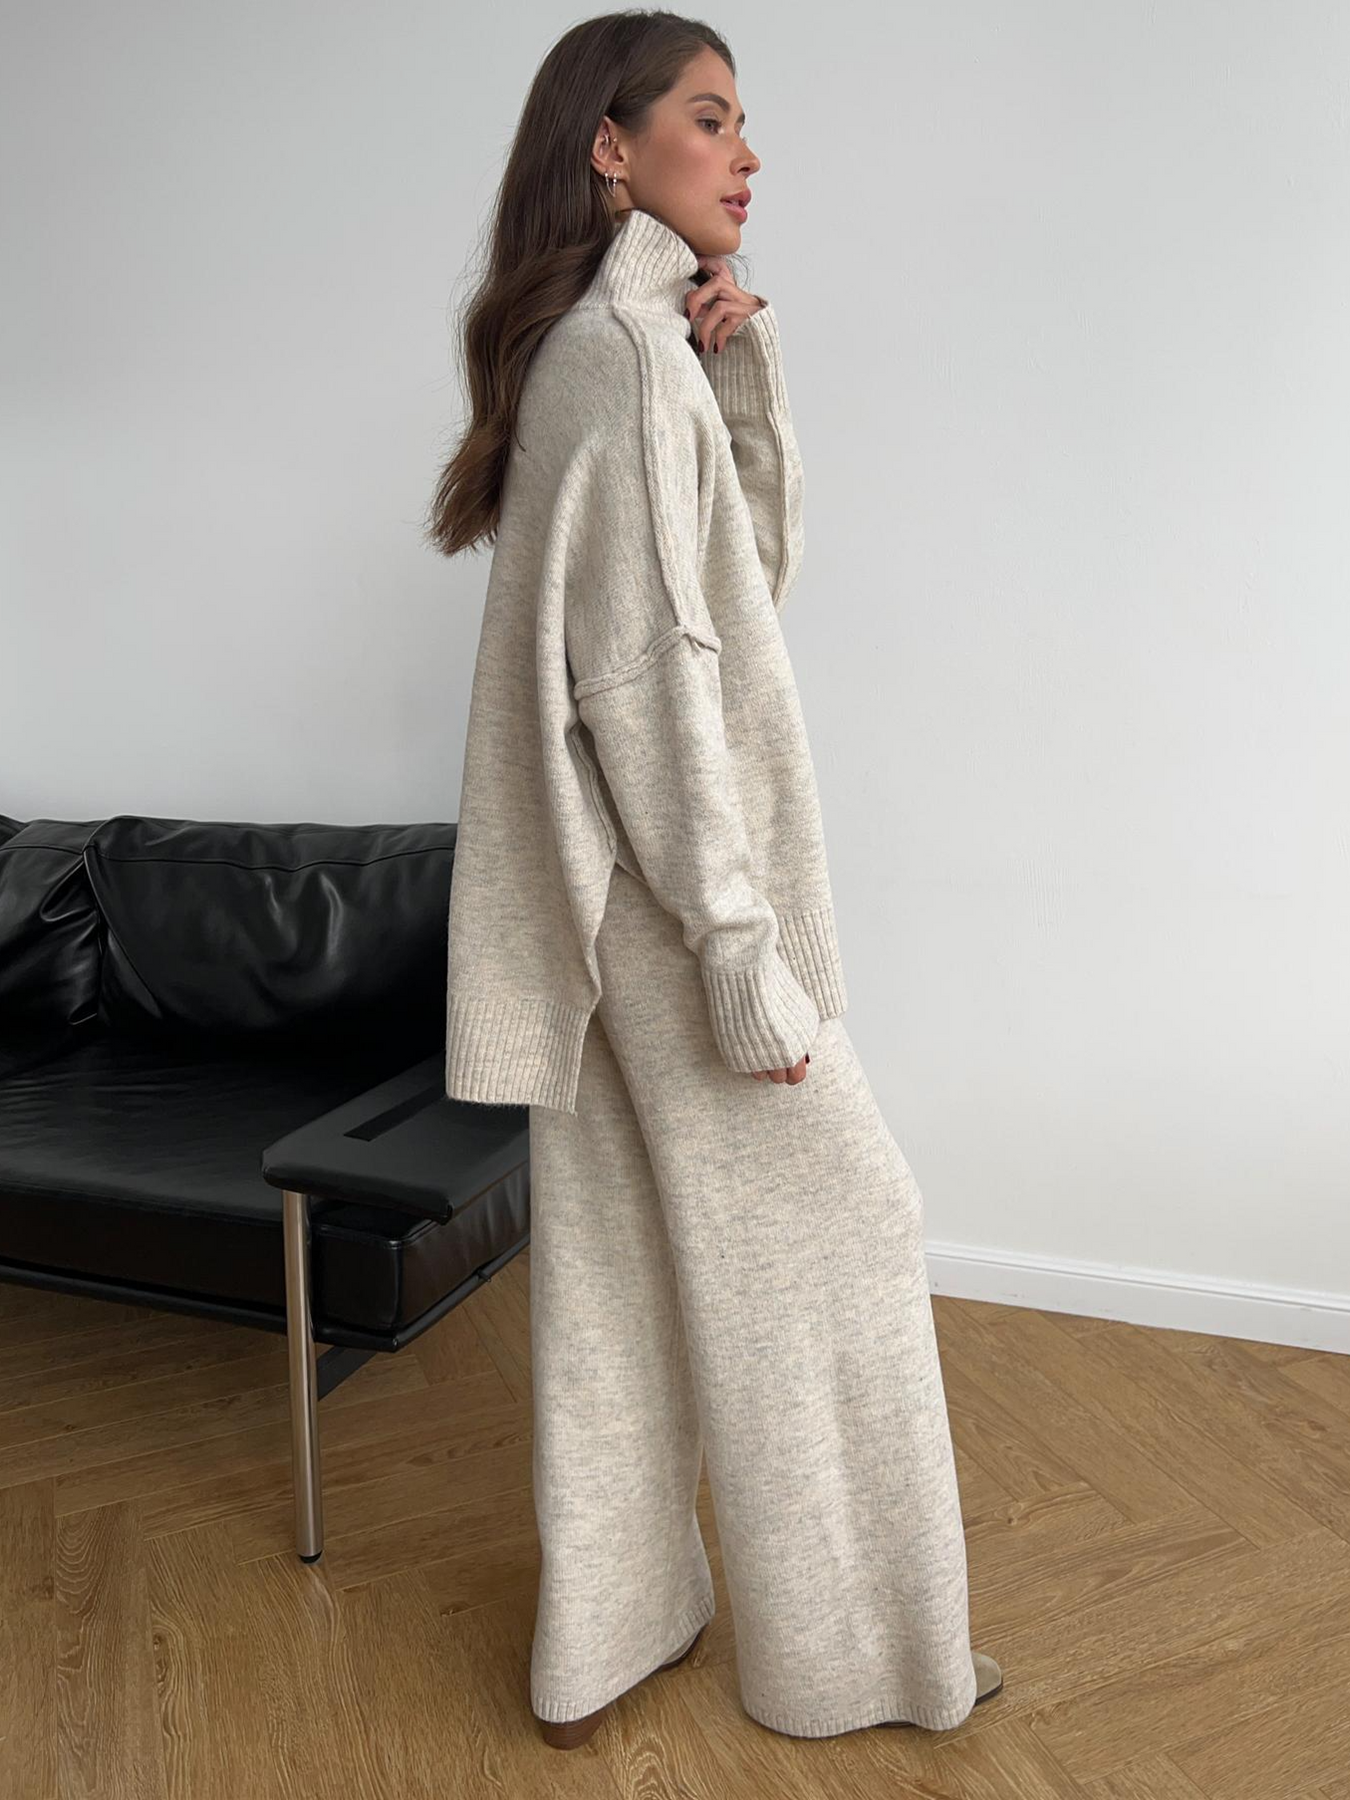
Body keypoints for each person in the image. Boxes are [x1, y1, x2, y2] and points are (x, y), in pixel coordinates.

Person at [424, 8, 1003, 1750]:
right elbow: (650, 685)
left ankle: (608, 1638)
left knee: (624, 1270)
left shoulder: (626, 349)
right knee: (846, 1236)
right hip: (676, 910)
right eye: (708, 116)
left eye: (743, 122)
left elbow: (729, 602)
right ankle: (858, 1661)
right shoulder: (611, 358)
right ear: (610, 148)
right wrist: (740, 945)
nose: (747, 153)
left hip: (617, 900)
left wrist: (741, 383)